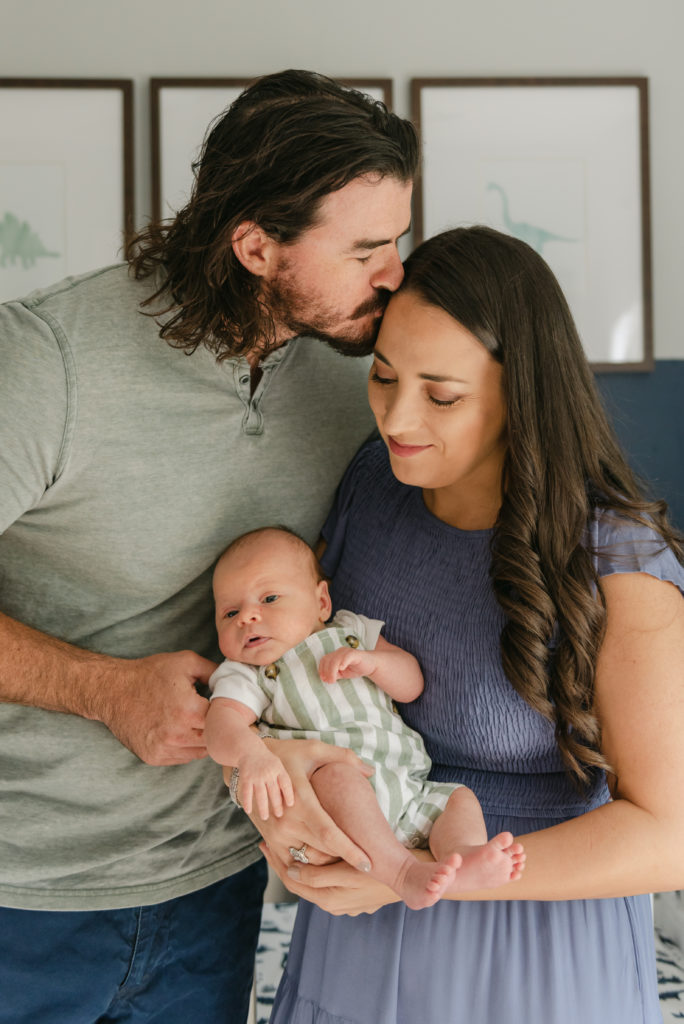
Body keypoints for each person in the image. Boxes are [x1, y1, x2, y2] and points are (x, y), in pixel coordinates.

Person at [0, 70, 417, 1024]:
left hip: (217, 885)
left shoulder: (362, 374)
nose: (394, 271)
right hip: (23, 892)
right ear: (256, 245)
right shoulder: (44, 361)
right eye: (365, 248)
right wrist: (98, 688)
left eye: (397, 240)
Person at [260, 225, 684, 1024]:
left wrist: (426, 872)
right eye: (383, 377)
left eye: (442, 394)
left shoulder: (619, 556)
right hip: (359, 930)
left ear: (521, 394)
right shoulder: (369, 487)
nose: (397, 417)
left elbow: (670, 834)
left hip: (536, 950)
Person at [204, 526, 525, 910]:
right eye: (230, 612)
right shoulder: (248, 673)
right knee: (339, 778)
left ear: (322, 602)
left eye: (269, 598)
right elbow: (220, 727)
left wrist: (374, 663)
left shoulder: (352, 631)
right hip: (341, 800)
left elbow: (411, 685)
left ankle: (463, 857)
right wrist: (250, 754)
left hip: (409, 788)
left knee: (458, 798)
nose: (248, 617)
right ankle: (403, 873)